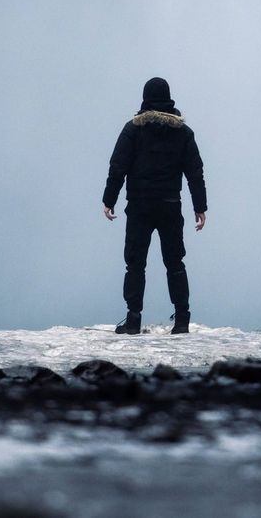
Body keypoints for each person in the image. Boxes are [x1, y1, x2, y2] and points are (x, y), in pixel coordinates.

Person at [102, 77, 207, 335]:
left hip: (139, 206)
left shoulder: (132, 130)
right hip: (170, 205)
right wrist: (200, 207)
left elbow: (118, 166)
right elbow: (195, 173)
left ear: (145, 98)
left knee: (135, 263)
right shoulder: (183, 133)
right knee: (175, 263)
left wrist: (109, 200)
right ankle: (181, 320)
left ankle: (133, 320)